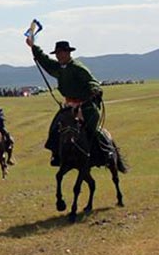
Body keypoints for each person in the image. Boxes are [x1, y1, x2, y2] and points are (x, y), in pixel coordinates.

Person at [26, 35, 113, 166]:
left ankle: (105, 152)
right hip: (69, 105)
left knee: (92, 128)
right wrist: (33, 46)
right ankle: (57, 155)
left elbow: (92, 81)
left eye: (61, 53)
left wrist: (95, 89)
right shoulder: (58, 68)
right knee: (55, 127)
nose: (59, 56)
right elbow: (44, 60)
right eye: (57, 53)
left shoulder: (78, 67)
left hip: (86, 104)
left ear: (68, 53)